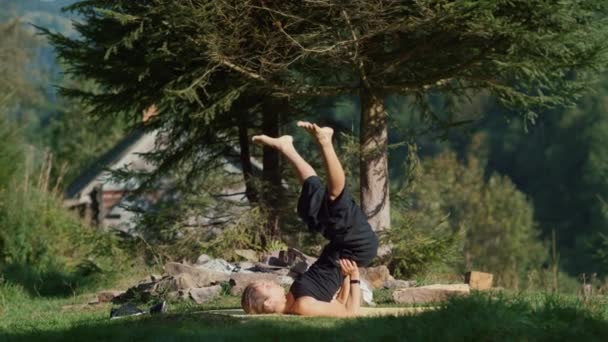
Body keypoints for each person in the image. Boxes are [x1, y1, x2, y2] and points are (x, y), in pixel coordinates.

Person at [241, 121, 378, 317]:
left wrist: (345, 280)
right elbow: (349, 311)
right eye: (265, 286)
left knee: (310, 208)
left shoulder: (293, 298)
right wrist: (354, 277)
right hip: (356, 246)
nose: (269, 281)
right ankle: (325, 142)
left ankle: (286, 147)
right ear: (269, 303)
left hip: (339, 246)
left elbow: (338, 302)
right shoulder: (303, 306)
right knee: (334, 200)